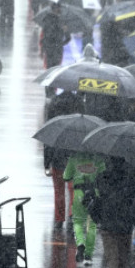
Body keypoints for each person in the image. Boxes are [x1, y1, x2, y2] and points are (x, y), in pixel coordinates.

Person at [90, 157, 135, 268]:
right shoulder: (130, 180)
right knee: (123, 261)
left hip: (107, 224)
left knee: (112, 261)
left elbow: (96, 197)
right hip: (125, 225)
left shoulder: (102, 177)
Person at [44, 92, 81, 227]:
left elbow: (47, 134)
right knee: (73, 188)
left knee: (59, 189)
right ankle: (72, 216)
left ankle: (59, 219)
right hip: (74, 153)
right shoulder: (79, 103)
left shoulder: (54, 103)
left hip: (57, 152)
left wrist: (46, 163)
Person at [62, 150, 105, 266]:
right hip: (94, 194)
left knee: (78, 222)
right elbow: (103, 176)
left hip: (78, 194)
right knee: (92, 225)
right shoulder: (99, 159)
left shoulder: (73, 158)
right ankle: (88, 255)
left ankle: (80, 243)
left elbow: (66, 177)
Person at [40, 2, 66, 69]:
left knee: (49, 68)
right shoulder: (62, 21)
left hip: (49, 48)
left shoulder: (47, 19)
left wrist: (42, 50)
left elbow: (44, 36)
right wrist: (61, 43)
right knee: (55, 68)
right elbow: (68, 38)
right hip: (57, 49)